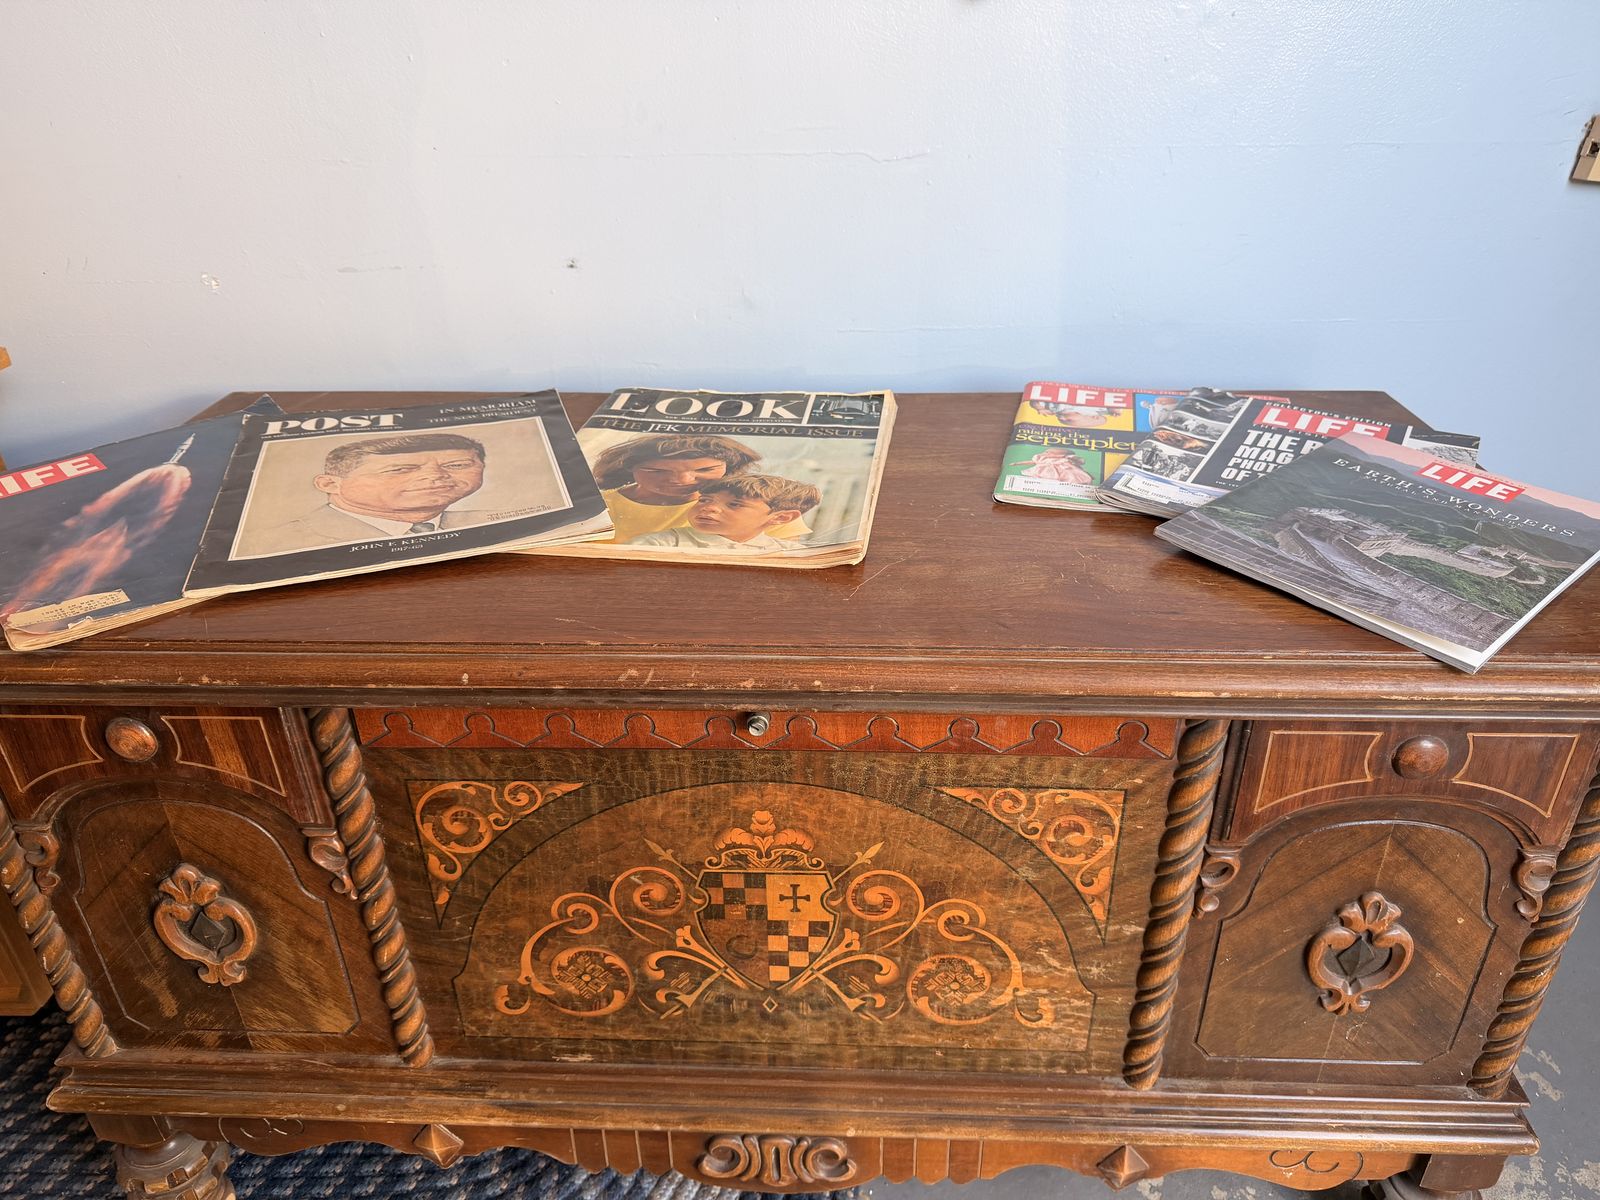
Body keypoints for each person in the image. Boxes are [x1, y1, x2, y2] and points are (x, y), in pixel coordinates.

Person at [243, 433, 491, 556]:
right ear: (329, 483)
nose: (436, 477)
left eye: (456, 466)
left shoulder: (490, 522)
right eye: (401, 469)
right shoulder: (274, 543)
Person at [588, 434, 808, 542]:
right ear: (628, 468)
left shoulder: (764, 505)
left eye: (704, 470)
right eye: (658, 471)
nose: (682, 480)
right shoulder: (597, 505)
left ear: (730, 466)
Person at [627, 475, 820, 554]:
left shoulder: (790, 552)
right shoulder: (658, 543)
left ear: (781, 518)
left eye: (735, 504)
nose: (709, 508)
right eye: (705, 500)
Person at [1018, 447, 1093, 485]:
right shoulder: (1044, 459)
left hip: (1063, 472)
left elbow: (1077, 468)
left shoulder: (1065, 460)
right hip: (1046, 471)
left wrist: (1086, 473)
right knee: (1042, 477)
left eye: (1050, 453)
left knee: (1072, 477)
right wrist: (1018, 463)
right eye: (1047, 452)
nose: (1048, 454)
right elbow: (1032, 462)